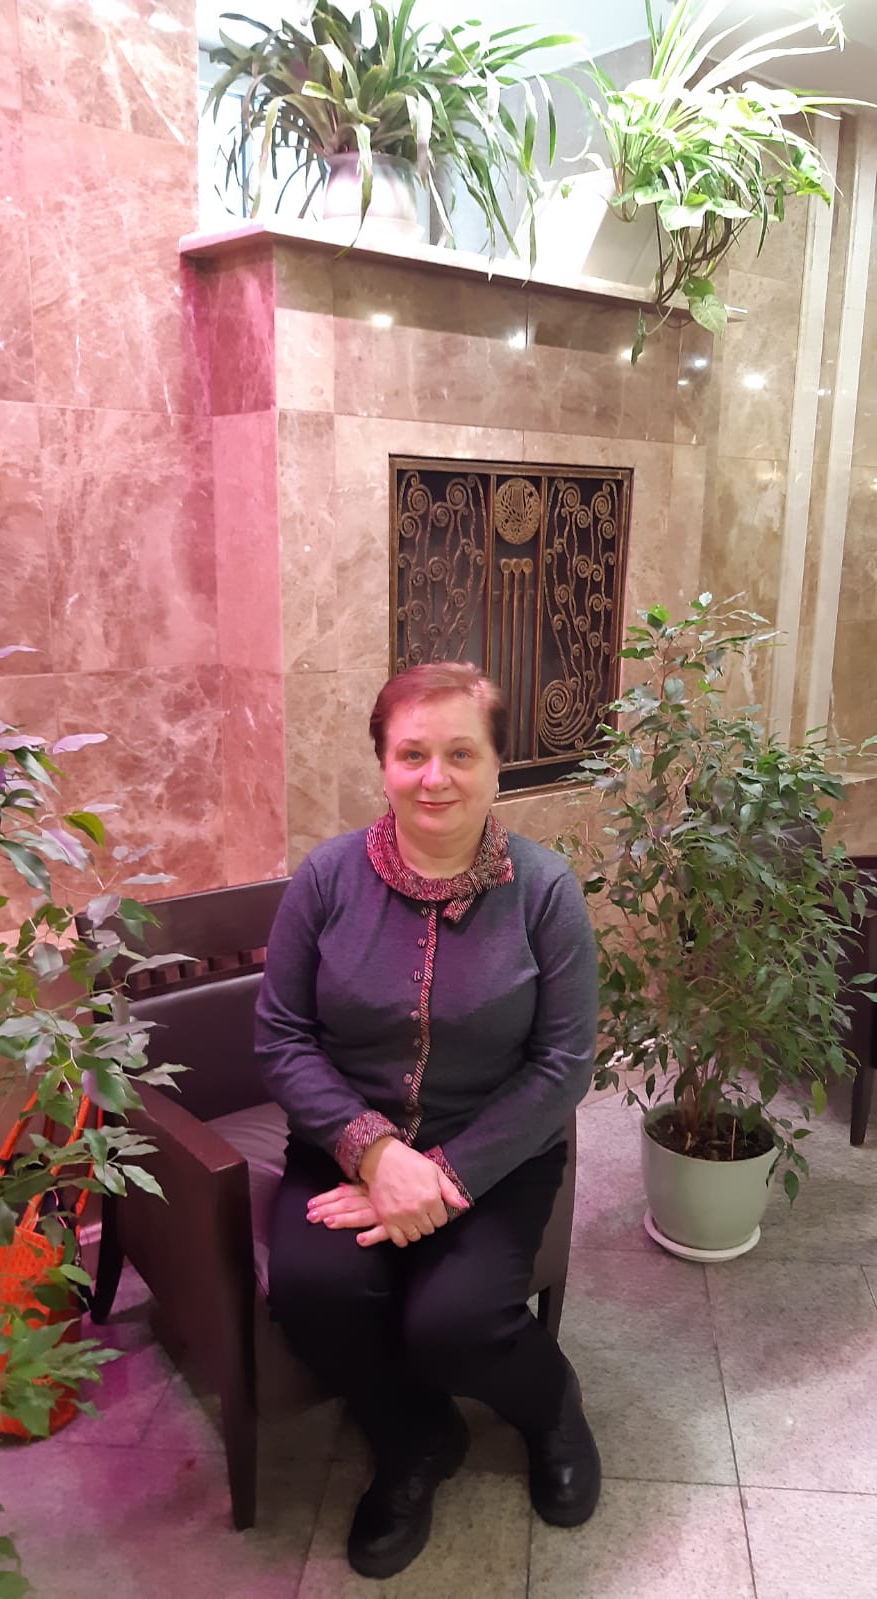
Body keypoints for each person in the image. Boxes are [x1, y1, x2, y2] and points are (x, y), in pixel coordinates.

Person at [255, 661, 601, 1579]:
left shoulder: (545, 890)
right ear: (383, 764)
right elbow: (281, 1037)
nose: (434, 777)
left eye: (460, 753)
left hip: (496, 1152)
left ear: (497, 765)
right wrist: (374, 1154)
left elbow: (564, 1063)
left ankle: (550, 1406)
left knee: (456, 1321)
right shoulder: (325, 879)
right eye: (412, 753)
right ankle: (414, 1437)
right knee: (312, 1291)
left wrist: (443, 1174)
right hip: (340, 1145)